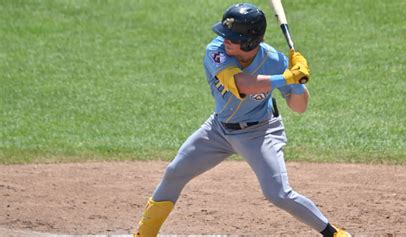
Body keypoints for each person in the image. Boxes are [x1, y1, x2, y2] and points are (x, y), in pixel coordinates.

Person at [133, 3, 351, 237]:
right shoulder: (215, 50)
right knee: (175, 172)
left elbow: (299, 107)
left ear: (249, 41)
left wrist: (296, 83)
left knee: (277, 193)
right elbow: (243, 85)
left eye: (232, 37)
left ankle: (334, 233)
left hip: (260, 133)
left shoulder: (275, 61)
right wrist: (287, 76)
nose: (225, 39)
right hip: (218, 129)